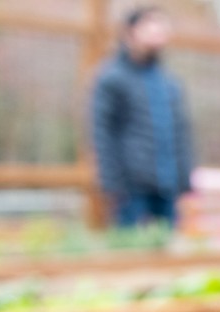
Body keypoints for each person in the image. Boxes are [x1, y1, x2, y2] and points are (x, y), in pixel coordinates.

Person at [90, 6, 194, 229]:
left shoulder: (169, 83)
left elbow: (182, 132)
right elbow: (102, 132)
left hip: (169, 184)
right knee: (131, 252)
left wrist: (185, 179)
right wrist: (112, 183)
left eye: (161, 26)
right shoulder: (112, 78)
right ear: (129, 32)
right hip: (131, 188)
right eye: (150, 25)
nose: (158, 31)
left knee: (168, 251)